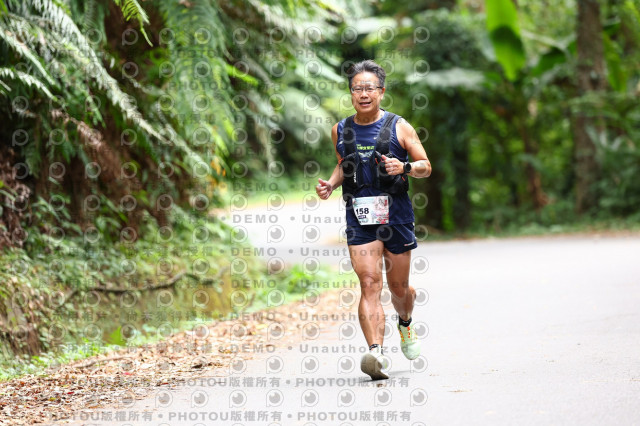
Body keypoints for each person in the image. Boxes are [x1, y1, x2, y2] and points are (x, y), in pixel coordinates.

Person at [316, 60, 432, 380]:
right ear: (351, 93)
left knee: (399, 289)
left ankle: (405, 323)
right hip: (360, 215)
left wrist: (405, 167)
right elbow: (345, 164)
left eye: (369, 88)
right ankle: (375, 352)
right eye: (357, 88)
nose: (363, 94)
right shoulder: (340, 130)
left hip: (396, 215)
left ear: (381, 91)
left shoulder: (400, 126)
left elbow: (425, 165)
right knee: (369, 283)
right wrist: (330, 184)